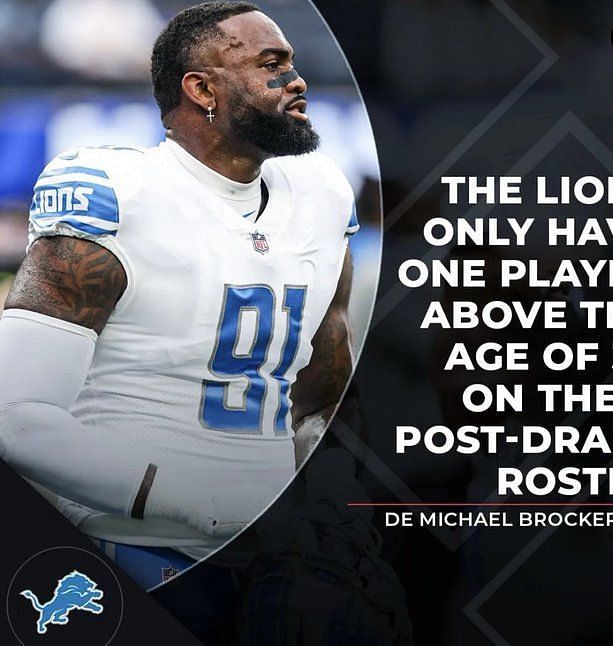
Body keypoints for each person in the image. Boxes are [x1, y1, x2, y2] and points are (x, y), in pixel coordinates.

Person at [0, 1, 358, 588]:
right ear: (201, 89)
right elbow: (16, 418)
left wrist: (332, 494)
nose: (296, 80)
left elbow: (320, 397)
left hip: (276, 556)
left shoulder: (322, 193)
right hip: (130, 546)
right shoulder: (118, 194)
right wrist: (198, 501)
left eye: (291, 62)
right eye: (271, 64)